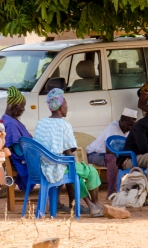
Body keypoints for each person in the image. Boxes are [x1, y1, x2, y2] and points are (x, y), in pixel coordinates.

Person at [33, 88, 103, 217]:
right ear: (60, 107)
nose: (67, 107)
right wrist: (77, 163)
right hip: (57, 167)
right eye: (66, 105)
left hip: (41, 167)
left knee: (76, 174)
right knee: (89, 171)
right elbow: (69, 153)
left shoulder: (41, 123)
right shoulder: (64, 125)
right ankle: (95, 204)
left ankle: (92, 206)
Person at [85, 108, 137, 199]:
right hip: (94, 154)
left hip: (111, 155)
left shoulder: (129, 130)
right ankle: (111, 193)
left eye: (132, 126)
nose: (130, 128)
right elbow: (109, 150)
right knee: (112, 159)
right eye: (129, 125)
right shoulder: (113, 127)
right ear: (122, 121)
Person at [0, 86, 32, 192]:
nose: (23, 109)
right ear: (15, 106)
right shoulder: (10, 123)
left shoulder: (9, 119)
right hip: (22, 160)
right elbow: (18, 151)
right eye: (22, 106)